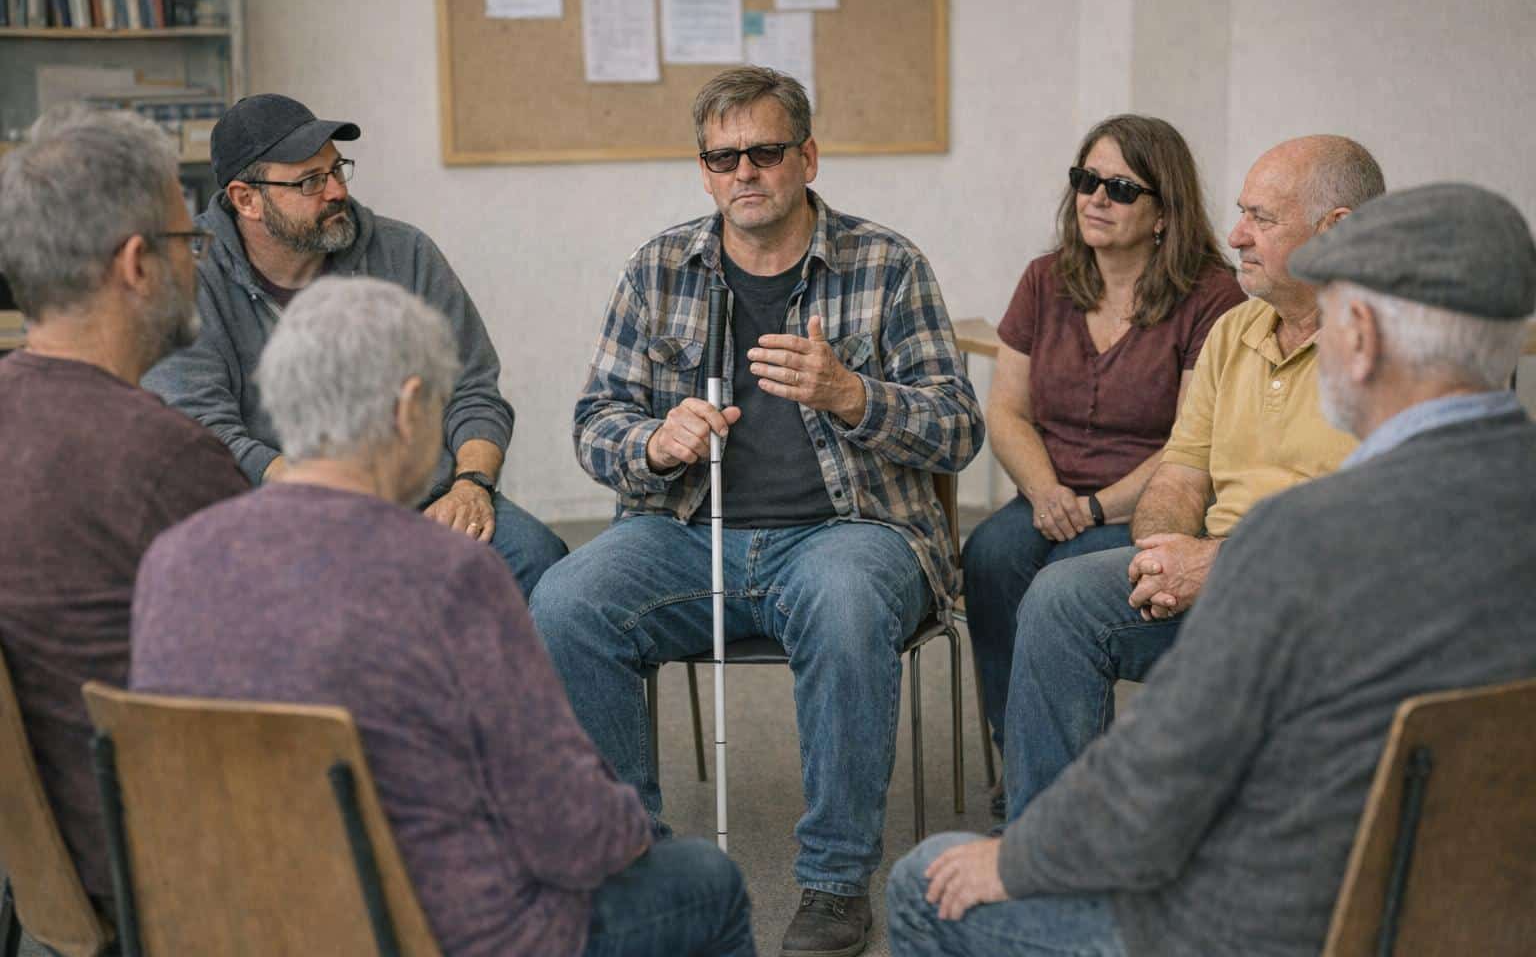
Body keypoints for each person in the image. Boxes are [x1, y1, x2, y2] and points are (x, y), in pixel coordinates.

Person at [884, 181, 1536, 957]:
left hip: (1279, 925)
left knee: (925, 879)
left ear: (1359, 334)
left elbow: (1156, 786)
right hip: (1490, 910)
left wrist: (1015, 860)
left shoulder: (1301, 537)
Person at [130, 278, 754, 957]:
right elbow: (574, 832)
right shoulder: (450, 576)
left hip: (222, 925)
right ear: (409, 409)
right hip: (426, 933)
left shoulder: (172, 559)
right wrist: (628, 828)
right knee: (705, 880)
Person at [530, 66, 982, 957]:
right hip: (686, 534)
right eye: (723, 157)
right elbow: (594, 423)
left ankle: (835, 883)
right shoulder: (659, 268)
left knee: (846, 604)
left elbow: (959, 430)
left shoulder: (888, 265)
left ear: (807, 157)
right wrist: (656, 443)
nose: (745, 171)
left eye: (766, 151)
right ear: (703, 171)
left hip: (849, 531)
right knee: (565, 603)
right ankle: (636, 867)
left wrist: (855, 396)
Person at [997, 134, 1383, 822]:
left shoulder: (1394, 348)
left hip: (1320, 599)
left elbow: (1383, 529)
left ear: (1338, 231)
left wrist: (1222, 565)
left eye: (1262, 219)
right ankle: (1049, 846)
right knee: (1058, 598)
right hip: (1214, 578)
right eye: (1242, 213)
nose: (1237, 235)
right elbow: (1179, 472)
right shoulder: (1236, 331)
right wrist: (1165, 554)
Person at [141, 93, 566, 599]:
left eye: (337, 170)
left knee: (542, 564)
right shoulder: (186, 276)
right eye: (310, 181)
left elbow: (472, 389)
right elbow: (201, 429)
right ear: (246, 199)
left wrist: (472, 484)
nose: (337, 191)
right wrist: (338, 501)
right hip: (277, 506)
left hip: (425, 498)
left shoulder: (406, 252)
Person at [0, 106, 248, 912]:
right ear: (137, 263)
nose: (197, 263)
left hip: (51, 867)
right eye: (189, 241)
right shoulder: (166, 460)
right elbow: (295, 684)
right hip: (196, 878)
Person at [961, 115, 1245, 777]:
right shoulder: (1045, 279)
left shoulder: (1212, 295)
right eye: (1085, 180)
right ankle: (1022, 754)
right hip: (1050, 493)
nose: (1094, 198)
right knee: (988, 556)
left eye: (1119, 188)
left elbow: (1189, 441)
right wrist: (1046, 493)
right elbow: (1006, 410)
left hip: (1148, 503)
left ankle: (1076, 784)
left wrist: (1093, 509)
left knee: (1059, 584)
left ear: (1164, 212)